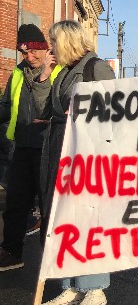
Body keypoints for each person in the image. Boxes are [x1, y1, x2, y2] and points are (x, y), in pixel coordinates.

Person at [40, 20, 115, 305]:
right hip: (62, 149)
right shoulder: (63, 73)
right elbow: (44, 108)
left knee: (88, 219)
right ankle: (70, 283)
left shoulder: (96, 68)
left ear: (68, 41)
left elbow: (113, 114)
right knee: (65, 218)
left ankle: (94, 287)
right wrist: (45, 75)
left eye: (54, 41)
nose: (51, 48)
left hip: (88, 154)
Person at [0, 24, 60, 272]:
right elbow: (6, 106)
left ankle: (51, 259)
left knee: (49, 206)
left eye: (34, 51)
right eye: (24, 53)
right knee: (15, 202)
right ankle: (12, 252)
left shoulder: (58, 70)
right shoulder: (17, 73)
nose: (29, 57)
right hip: (22, 146)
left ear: (44, 48)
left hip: (47, 146)